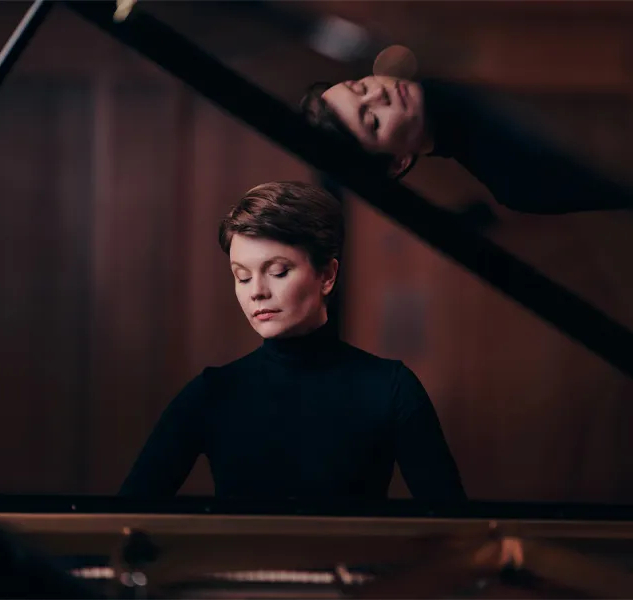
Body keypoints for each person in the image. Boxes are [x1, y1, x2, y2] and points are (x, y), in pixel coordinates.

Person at [119, 181, 466, 503]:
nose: (257, 292)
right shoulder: (212, 393)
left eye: (278, 272)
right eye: (241, 276)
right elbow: (124, 518)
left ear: (327, 275)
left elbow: (456, 531)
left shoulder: (391, 388)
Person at [300, 76, 633, 214]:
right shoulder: (514, 180)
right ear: (398, 162)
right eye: (372, 120)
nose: (379, 94)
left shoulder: (447, 52)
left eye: (359, 87)